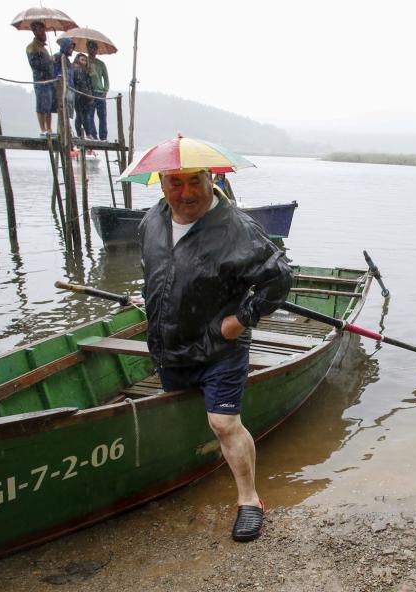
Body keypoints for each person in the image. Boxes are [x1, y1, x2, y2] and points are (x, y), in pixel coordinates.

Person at [139, 167, 292, 542]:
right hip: (169, 344)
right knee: (180, 412)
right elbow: (153, 272)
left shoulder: (235, 227)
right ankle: (192, 466)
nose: (186, 192)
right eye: (176, 182)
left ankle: (249, 500)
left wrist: (239, 320)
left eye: (195, 181)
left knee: (224, 423)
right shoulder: (151, 221)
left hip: (219, 346)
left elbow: (279, 279)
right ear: (162, 184)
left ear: (212, 181)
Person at [25, 21, 55, 135]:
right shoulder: (32, 47)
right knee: (41, 105)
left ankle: (49, 128)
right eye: (40, 30)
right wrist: (49, 61)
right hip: (40, 80)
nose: (43, 33)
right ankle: (43, 129)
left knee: (49, 106)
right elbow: (35, 65)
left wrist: (51, 61)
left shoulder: (44, 48)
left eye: (43, 30)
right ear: (35, 31)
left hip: (49, 80)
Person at [86, 41, 110, 141]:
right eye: (90, 48)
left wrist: (105, 90)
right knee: (90, 115)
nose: (92, 50)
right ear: (87, 49)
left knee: (102, 116)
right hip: (89, 92)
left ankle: (103, 136)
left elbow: (106, 78)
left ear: (96, 50)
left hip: (100, 92)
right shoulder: (84, 61)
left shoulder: (101, 64)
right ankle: (93, 135)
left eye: (94, 48)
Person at [72, 53, 95, 140]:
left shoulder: (85, 71)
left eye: (85, 60)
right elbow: (81, 83)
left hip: (84, 96)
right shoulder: (77, 68)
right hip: (80, 96)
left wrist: (90, 94)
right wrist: (88, 95)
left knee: (83, 116)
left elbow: (89, 84)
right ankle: (84, 134)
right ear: (78, 60)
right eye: (82, 60)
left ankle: (85, 134)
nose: (84, 62)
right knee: (81, 116)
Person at [53, 38, 76, 121]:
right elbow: (55, 71)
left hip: (70, 87)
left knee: (68, 111)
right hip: (62, 86)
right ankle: (62, 130)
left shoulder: (68, 60)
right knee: (62, 109)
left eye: (73, 48)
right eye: (70, 48)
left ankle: (67, 128)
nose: (72, 50)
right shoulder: (58, 56)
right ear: (65, 47)